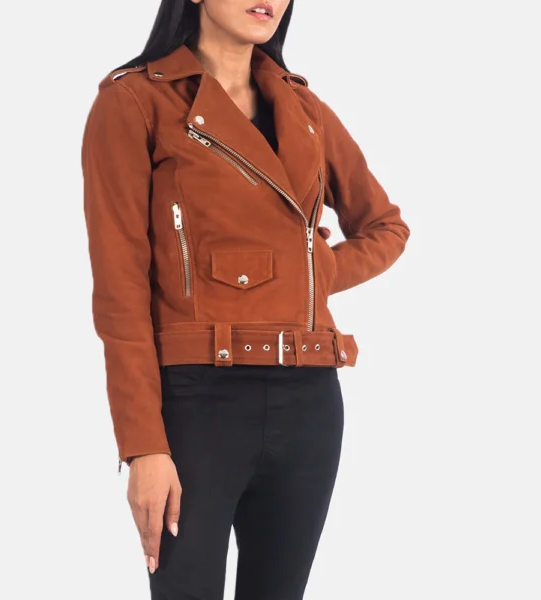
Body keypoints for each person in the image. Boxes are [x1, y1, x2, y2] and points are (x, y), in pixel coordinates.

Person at [81, 1, 410, 598]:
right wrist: (143, 445)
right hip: (197, 402)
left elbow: (385, 226)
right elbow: (120, 292)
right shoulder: (134, 101)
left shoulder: (303, 108)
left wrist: (311, 271)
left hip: (310, 399)